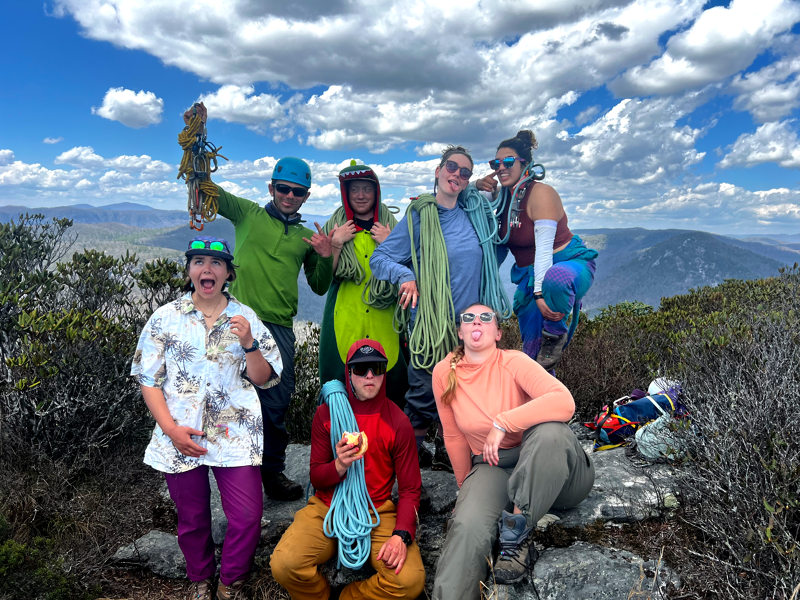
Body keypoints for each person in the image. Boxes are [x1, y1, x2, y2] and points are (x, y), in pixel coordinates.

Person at [181, 103, 335, 501]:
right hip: (236, 321)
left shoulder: (306, 238)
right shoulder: (248, 214)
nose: (289, 196)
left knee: (277, 403)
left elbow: (319, 286)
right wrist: (196, 147)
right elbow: (206, 191)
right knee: (226, 394)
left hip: (280, 328)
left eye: (297, 191)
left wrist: (328, 252)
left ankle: (272, 473)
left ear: (305, 196)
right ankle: (229, 471)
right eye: (282, 188)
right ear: (271, 188)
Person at [131, 236, 283, 600]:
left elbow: (264, 378)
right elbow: (148, 380)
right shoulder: (165, 318)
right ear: (189, 271)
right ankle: (200, 580)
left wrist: (250, 343)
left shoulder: (246, 318)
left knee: (247, 517)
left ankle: (231, 582)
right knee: (192, 519)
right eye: (199, 262)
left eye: (216, 263)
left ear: (228, 272)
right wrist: (170, 430)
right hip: (181, 434)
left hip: (235, 434)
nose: (207, 269)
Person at [431, 303, 595, 600]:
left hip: (558, 472)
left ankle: (516, 539)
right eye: (469, 318)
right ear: (460, 331)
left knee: (549, 429)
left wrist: (504, 422)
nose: (476, 321)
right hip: (494, 467)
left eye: (485, 317)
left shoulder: (514, 361)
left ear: (498, 332)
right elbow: (453, 435)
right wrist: (464, 491)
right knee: (467, 527)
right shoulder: (444, 373)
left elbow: (564, 401)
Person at [270, 340, 425, 600]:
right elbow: (317, 477)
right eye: (360, 368)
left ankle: (348, 597)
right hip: (328, 507)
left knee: (409, 581)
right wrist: (339, 465)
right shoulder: (326, 414)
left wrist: (402, 535)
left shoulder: (398, 422)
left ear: (385, 372)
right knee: (285, 564)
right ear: (348, 374)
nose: (369, 375)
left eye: (376, 368)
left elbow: (410, 489)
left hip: (376, 510)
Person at [370, 146, 483, 471]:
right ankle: (399, 476)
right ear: (438, 170)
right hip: (430, 330)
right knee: (421, 402)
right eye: (452, 167)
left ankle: (450, 456)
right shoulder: (419, 216)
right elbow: (380, 259)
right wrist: (405, 275)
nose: (457, 175)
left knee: (463, 398)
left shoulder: (472, 214)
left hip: (468, 329)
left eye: (465, 172)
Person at [476, 130, 598, 370]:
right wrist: (476, 184)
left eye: (508, 161)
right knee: (533, 361)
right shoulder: (499, 197)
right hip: (528, 277)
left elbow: (544, 251)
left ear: (526, 164)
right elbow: (458, 197)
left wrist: (540, 294)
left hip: (567, 265)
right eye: (495, 163)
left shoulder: (541, 193)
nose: (501, 167)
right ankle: (544, 403)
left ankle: (555, 335)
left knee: (556, 278)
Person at [319, 160, 409, 402]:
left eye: (366, 189)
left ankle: (389, 437)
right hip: (345, 315)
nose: (360, 196)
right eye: (354, 189)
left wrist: (391, 244)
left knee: (392, 384)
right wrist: (336, 244)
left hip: (385, 317)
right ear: (345, 193)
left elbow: (410, 273)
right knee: (341, 382)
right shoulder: (335, 227)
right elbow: (325, 278)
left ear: (376, 191)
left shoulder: (393, 230)